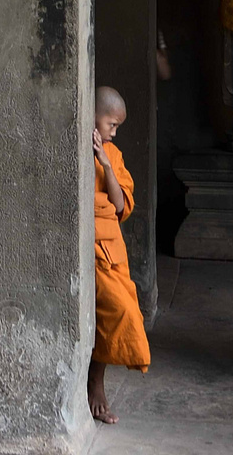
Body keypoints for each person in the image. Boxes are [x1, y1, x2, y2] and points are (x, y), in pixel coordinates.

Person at [89, 85, 150, 424]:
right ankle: (95, 383)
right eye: (111, 124)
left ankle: (96, 380)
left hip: (112, 250)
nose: (114, 132)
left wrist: (105, 165)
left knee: (122, 311)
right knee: (120, 310)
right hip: (89, 247)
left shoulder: (113, 155)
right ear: (93, 117)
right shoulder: (72, 144)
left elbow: (118, 204)